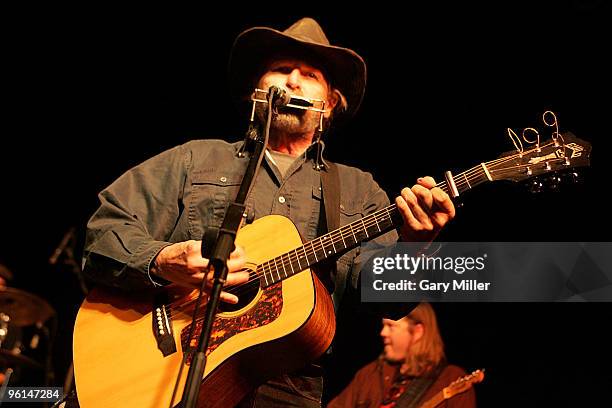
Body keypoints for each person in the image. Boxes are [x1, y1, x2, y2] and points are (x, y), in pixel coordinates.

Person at [82, 17, 455, 407]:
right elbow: (105, 230)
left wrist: (416, 246)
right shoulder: (195, 158)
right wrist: (162, 260)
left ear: (328, 104)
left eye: (309, 74)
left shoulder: (359, 190)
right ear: (256, 91)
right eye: (280, 69)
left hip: (290, 389)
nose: (292, 80)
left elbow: (381, 297)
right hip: (171, 372)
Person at [328, 303, 476, 408]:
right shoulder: (369, 374)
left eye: (391, 326)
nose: (383, 333)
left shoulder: (450, 378)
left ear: (417, 331)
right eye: (383, 326)